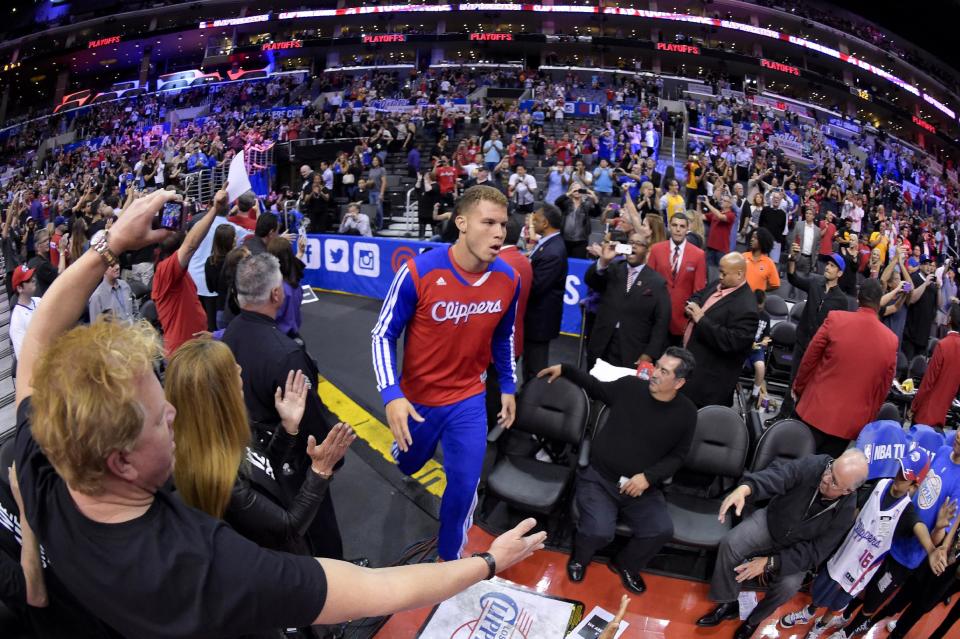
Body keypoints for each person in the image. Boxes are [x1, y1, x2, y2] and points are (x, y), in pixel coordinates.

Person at [10, 186, 548, 636]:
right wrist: (488, 563)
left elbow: (35, 347)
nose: (174, 413)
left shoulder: (47, 466)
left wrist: (109, 247)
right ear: (120, 462)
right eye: (159, 416)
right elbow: (370, 589)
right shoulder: (203, 562)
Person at [371, 185, 521, 561]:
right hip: (418, 400)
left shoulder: (508, 279)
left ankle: (449, 559)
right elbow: (382, 335)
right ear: (461, 224)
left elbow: (504, 336)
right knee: (409, 462)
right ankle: (405, 448)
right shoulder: (418, 271)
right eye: (488, 222)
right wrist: (392, 395)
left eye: (503, 224)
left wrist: (507, 384)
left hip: (469, 400)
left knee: (464, 485)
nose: (500, 232)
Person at [167, 338, 355, 557]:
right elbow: (289, 529)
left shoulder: (218, 435)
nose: (241, 372)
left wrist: (288, 428)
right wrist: (320, 472)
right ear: (222, 399)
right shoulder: (220, 476)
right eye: (237, 385)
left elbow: (263, 468)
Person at [539, 348, 697, 592]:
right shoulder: (631, 387)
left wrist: (648, 477)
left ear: (679, 382)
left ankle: (625, 564)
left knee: (660, 531)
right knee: (598, 531)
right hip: (600, 479)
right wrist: (565, 369)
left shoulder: (687, 413)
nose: (654, 373)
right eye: (656, 366)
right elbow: (595, 387)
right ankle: (580, 558)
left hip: (641, 489)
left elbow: (678, 455)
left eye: (664, 371)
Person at [222, 252, 343, 558]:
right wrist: (330, 461)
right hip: (290, 466)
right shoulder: (286, 354)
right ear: (276, 294)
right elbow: (310, 422)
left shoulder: (230, 332)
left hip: (251, 457)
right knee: (317, 536)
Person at [696, 450, 870, 639]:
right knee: (732, 543)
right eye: (830, 469)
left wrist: (770, 562)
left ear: (848, 491)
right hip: (773, 522)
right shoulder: (816, 465)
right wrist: (747, 487)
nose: (826, 478)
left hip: (796, 549)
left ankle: (753, 620)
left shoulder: (845, 513)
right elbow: (781, 475)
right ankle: (728, 601)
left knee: (788, 587)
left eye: (834, 481)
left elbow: (815, 552)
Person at [778, 448, 949, 639]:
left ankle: (821, 625)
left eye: (905, 476)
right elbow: (856, 510)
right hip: (845, 552)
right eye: (900, 469)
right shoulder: (880, 484)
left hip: (861, 568)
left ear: (914, 486)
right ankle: (809, 612)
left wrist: (932, 549)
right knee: (820, 588)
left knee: (838, 602)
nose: (899, 476)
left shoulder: (906, 511)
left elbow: (920, 528)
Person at [827, 434, 960, 639]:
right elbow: (919, 489)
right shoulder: (943, 451)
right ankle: (845, 615)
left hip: (908, 556)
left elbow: (935, 540)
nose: (959, 434)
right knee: (865, 581)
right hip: (889, 535)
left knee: (875, 597)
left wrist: (939, 528)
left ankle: (849, 631)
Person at [792, 279, 898, 456]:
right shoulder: (891, 340)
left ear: (858, 298)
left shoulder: (835, 319)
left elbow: (809, 359)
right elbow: (882, 389)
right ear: (879, 303)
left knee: (794, 467)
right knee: (823, 474)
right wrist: (867, 419)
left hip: (814, 409)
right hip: (849, 423)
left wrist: (799, 388)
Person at [766, 247, 849, 425]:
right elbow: (793, 278)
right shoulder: (815, 283)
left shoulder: (841, 300)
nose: (827, 267)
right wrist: (791, 260)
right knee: (793, 381)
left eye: (832, 266)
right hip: (802, 342)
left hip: (819, 350)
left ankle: (797, 421)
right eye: (827, 264)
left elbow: (838, 329)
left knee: (809, 387)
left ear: (840, 273)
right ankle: (782, 417)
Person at [153, 186, 227, 357]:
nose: (172, 230)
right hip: (184, 353)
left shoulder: (177, 269)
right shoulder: (165, 270)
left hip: (194, 347)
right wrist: (215, 209)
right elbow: (191, 245)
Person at [681, 252, 759, 407]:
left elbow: (731, 342)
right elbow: (700, 294)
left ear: (739, 274)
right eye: (720, 271)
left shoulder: (747, 307)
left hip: (707, 385)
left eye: (724, 273)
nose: (720, 276)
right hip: (691, 366)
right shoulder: (721, 282)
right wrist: (693, 304)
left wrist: (701, 319)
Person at [585, 232, 669, 369]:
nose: (633, 246)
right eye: (630, 242)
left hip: (632, 349)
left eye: (638, 244)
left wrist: (649, 353)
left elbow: (661, 322)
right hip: (601, 344)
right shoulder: (612, 268)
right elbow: (590, 280)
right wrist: (604, 261)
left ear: (647, 252)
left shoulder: (657, 282)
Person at [646, 213, 707, 346]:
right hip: (654, 316)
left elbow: (699, 289)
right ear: (669, 227)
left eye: (682, 226)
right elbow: (648, 282)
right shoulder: (656, 249)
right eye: (674, 225)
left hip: (681, 320)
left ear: (687, 229)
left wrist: (690, 311)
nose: (678, 229)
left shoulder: (698, 255)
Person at [523, 202, 568, 382]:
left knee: (536, 368)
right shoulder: (548, 245)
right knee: (529, 364)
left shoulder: (553, 250)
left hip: (540, 320)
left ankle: (533, 402)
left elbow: (537, 286)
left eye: (537, 219)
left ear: (546, 223)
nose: (533, 222)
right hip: (535, 318)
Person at [911, 304, 960, 427]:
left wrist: (914, 405)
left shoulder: (943, 345)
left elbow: (928, 381)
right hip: (943, 414)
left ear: (949, 320)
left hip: (926, 414)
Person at [903, 256, 939, 360]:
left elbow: (939, 305)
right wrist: (925, 283)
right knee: (906, 367)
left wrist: (939, 289)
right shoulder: (913, 277)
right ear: (920, 265)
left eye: (930, 264)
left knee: (917, 371)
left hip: (924, 335)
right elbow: (911, 300)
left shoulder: (932, 284)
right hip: (911, 333)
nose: (928, 267)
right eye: (925, 264)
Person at [747, 289, 772, 407]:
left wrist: (765, 341)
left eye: (761, 306)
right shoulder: (746, 313)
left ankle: (755, 394)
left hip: (757, 349)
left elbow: (767, 335)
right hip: (743, 346)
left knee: (761, 367)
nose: (760, 308)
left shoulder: (766, 317)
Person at [9, 265, 39, 361]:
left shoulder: (38, 300)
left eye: (32, 277)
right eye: (28, 279)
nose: (33, 279)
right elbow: (24, 359)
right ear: (19, 288)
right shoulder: (17, 320)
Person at [742, 228, 781, 293]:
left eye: (755, 238)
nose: (752, 239)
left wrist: (761, 290)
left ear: (762, 241)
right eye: (752, 237)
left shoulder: (769, 263)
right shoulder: (743, 256)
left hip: (755, 300)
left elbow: (775, 284)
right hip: (740, 297)